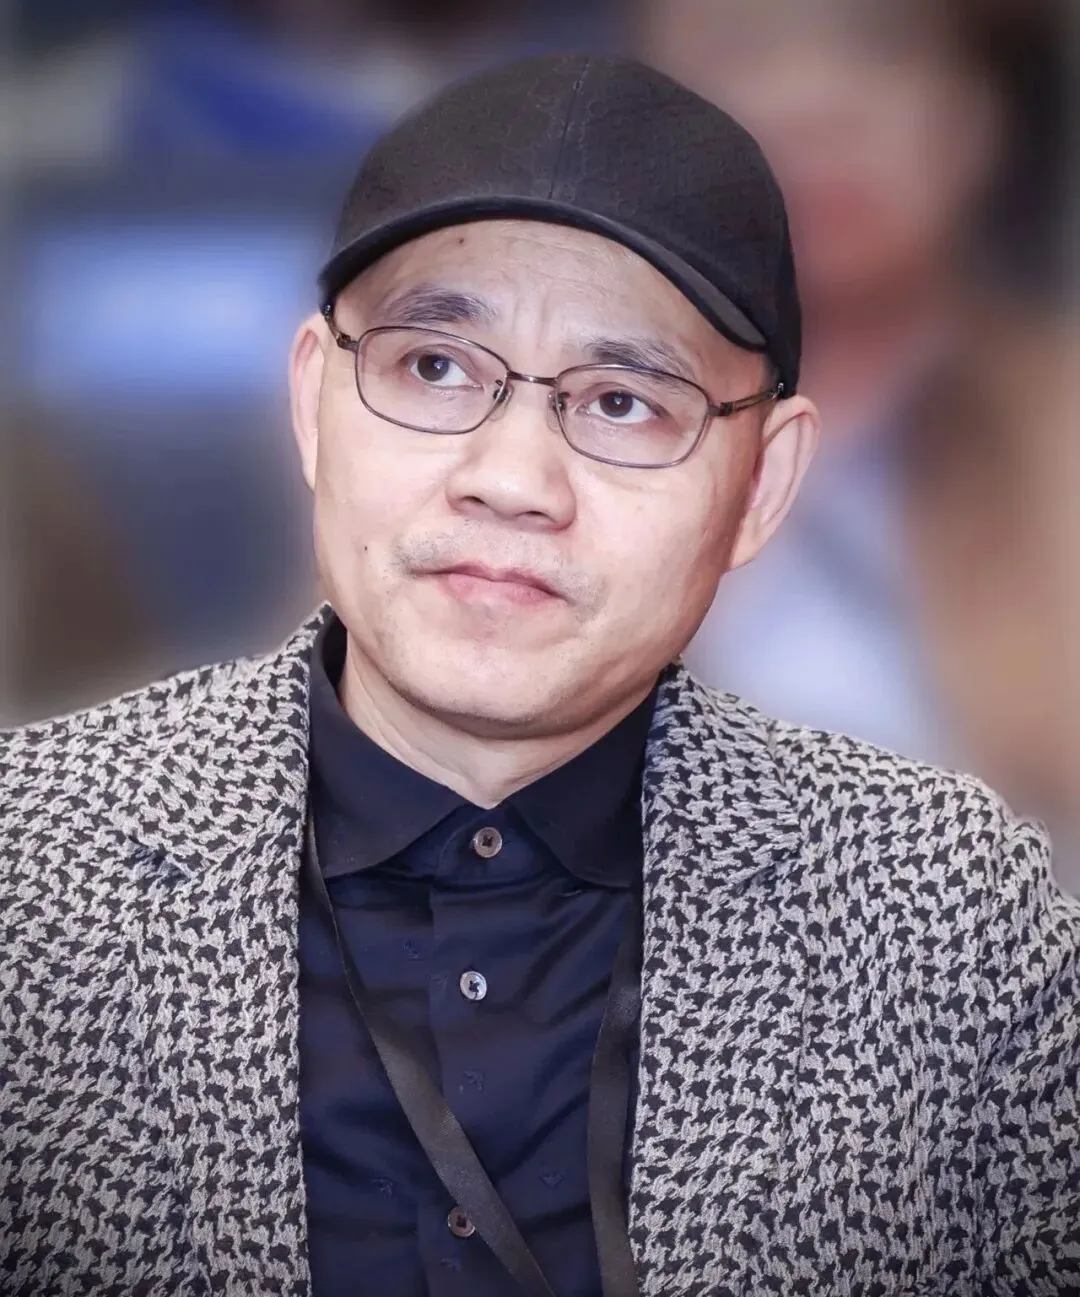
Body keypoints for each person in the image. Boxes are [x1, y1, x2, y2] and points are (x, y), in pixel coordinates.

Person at [1, 54, 1077, 1297]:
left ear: (762, 487)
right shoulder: (32, 872)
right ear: (311, 404)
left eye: (622, 402)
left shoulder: (949, 919)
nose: (512, 480)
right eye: (434, 368)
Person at [642, 0, 1080, 888]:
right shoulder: (544, 416)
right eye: (745, 47)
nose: (816, 103)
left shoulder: (1054, 424)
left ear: (983, 116)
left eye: (882, 47)